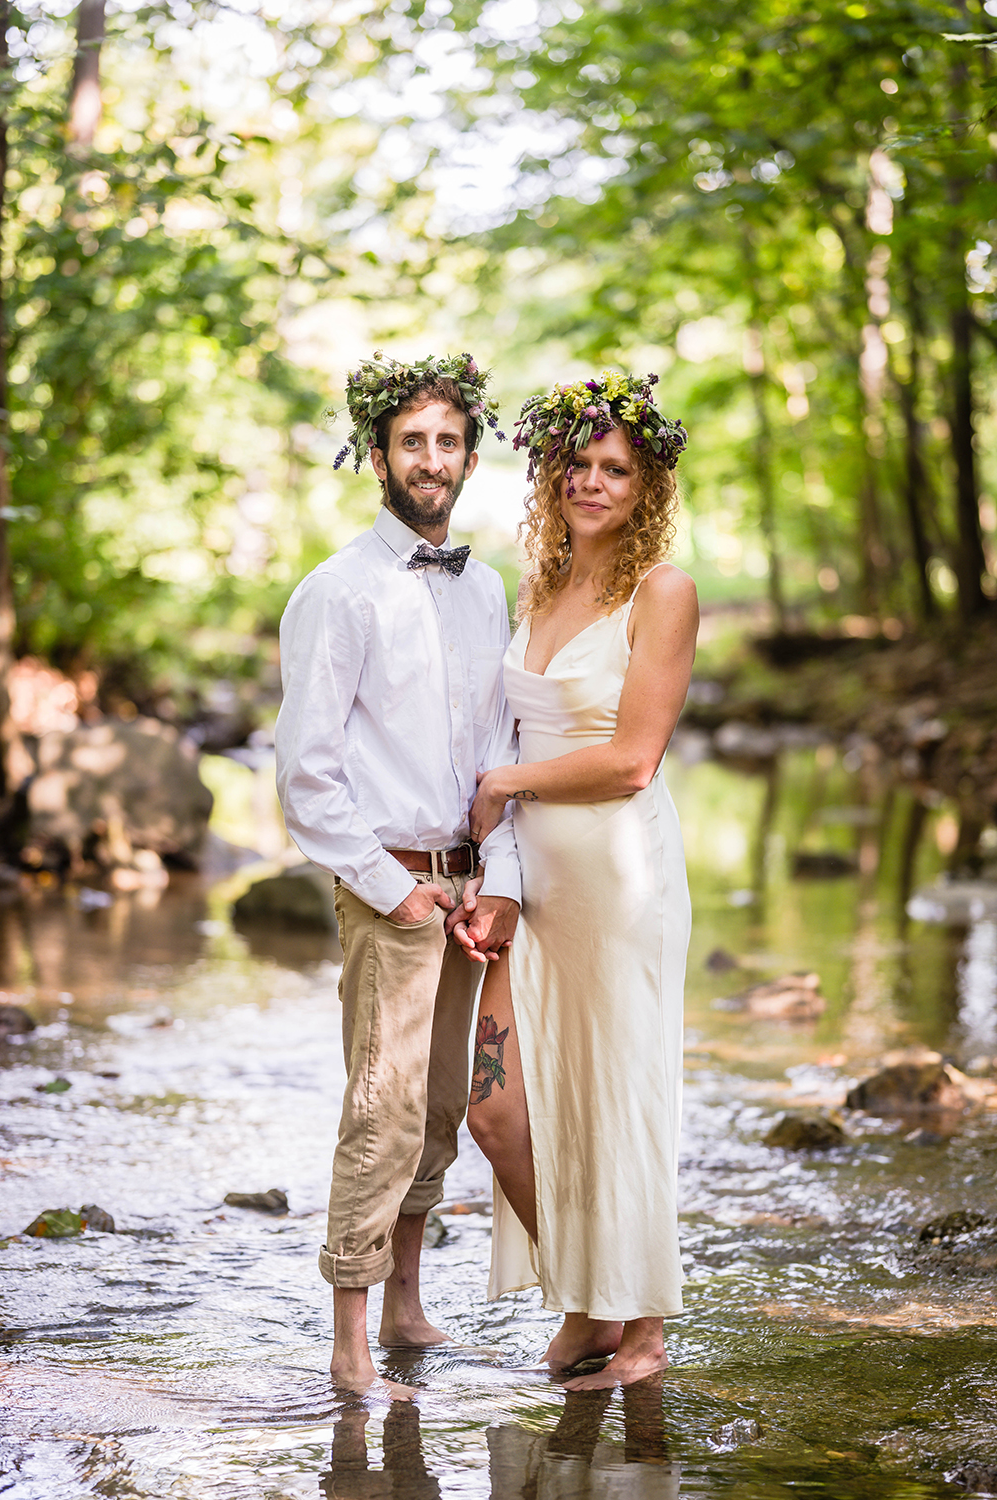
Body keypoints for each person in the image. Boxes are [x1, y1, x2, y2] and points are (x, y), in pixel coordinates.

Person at [275, 352, 521, 1396]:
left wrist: (495, 879)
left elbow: (499, 760)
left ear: (470, 453)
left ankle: (412, 1304)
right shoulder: (336, 593)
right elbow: (305, 775)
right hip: (390, 890)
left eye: (447, 441)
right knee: (380, 1106)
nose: (431, 460)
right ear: (376, 454)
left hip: (470, 891)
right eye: (411, 441)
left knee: (439, 1109)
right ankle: (349, 1340)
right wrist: (395, 886)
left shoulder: (488, 588)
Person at [458, 371, 697, 1390]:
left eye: (617, 471)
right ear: (550, 472)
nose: (595, 483)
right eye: (580, 465)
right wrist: (497, 865)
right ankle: (584, 1293)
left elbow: (633, 757)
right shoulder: (539, 583)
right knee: (496, 1108)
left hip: (621, 874)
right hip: (534, 879)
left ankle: (638, 1333)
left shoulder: (664, 593)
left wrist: (505, 780)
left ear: (644, 490)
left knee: (618, 1095)